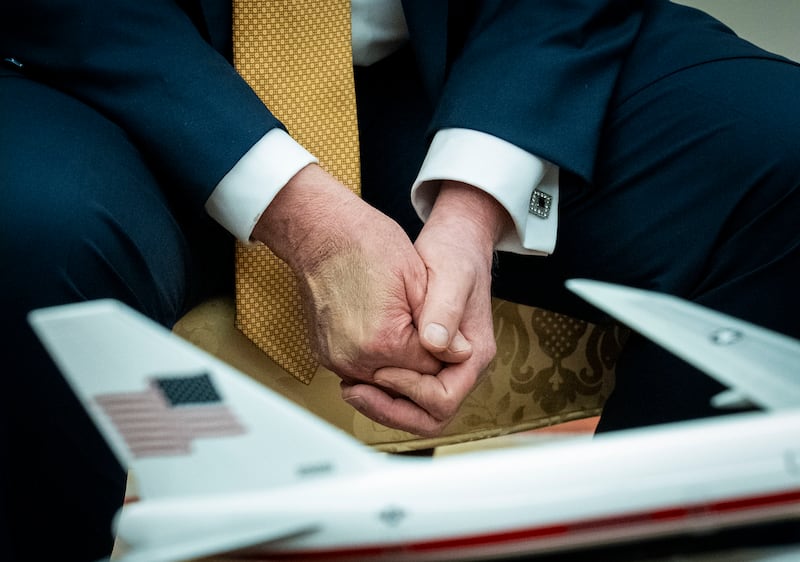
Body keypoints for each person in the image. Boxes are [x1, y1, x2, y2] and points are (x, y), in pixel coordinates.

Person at [2, 1, 799, 560]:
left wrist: (473, 210)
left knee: (783, 155)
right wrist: (307, 217)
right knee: (29, 231)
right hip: (104, 79)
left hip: (468, 60)